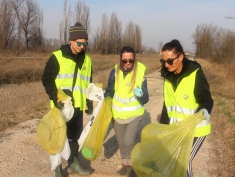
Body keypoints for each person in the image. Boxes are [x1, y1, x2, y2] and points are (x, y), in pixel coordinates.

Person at [42, 22, 93, 177]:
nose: (82, 46)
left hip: (77, 106)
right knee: (58, 138)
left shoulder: (87, 60)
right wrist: (54, 95)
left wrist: (89, 100)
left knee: (75, 137)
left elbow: (88, 81)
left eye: (84, 44)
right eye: (79, 43)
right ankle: (58, 170)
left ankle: (74, 165)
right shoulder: (57, 57)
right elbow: (46, 79)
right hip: (61, 107)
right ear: (71, 40)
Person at [159, 39, 213, 177]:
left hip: (196, 130)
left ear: (181, 57)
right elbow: (167, 105)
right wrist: (163, 129)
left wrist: (204, 109)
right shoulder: (167, 77)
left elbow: (206, 99)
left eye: (170, 61)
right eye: (163, 61)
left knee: (184, 160)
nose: (166, 65)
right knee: (172, 161)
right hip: (178, 130)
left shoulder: (195, 74)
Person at [104, 46, 149, 177]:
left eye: (131, 60)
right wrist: (105, 101)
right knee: (121, 143)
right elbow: (109, 91)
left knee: (129, 142)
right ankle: (125, 165)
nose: (128, 63)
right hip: (117, 114)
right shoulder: (114, 72)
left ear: (134, 59)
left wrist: (141, 94)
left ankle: (133, 167)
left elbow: (146, 98)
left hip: (134, 115)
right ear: (120, 60)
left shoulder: (140, 73)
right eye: (125, 61)